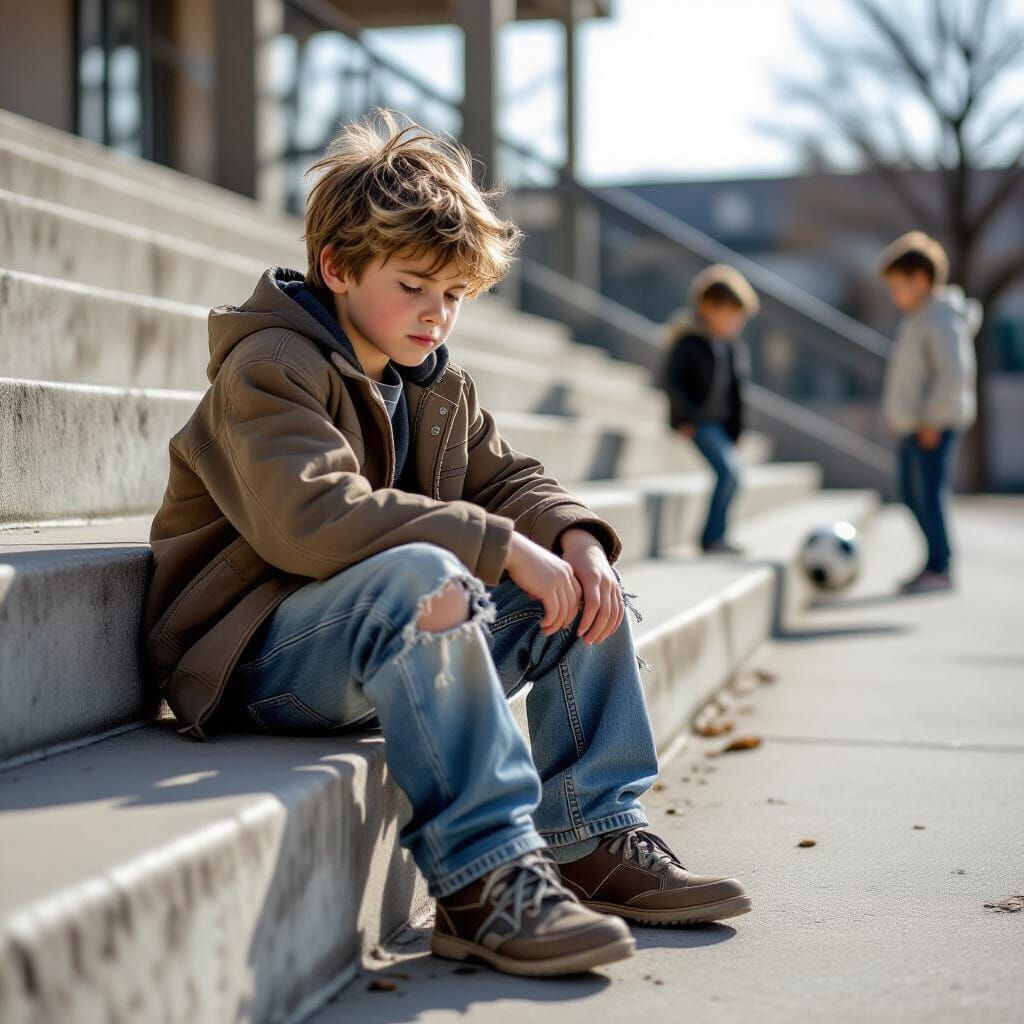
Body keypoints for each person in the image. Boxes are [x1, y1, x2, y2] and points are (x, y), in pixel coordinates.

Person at [141, 111, 750, 979]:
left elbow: (508, 480)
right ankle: (483, 880)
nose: (437, 316)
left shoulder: (433, 383)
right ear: (339, 267)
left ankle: (590, 834)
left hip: (378, 644)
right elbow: (310, 520)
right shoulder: (269, 363)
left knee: (577, 589)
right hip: (257, 656)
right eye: (416, 286)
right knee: (431, 573)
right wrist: (499, 547)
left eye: (455, 296)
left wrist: (574, 538)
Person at [878, 231, 980, 594]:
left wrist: (931, 420)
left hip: (933, 425)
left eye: (898, 287)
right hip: (913, 425)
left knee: (929, 494)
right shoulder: (919, 318)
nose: (895, 296)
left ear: (920, 280)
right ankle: (933, 560)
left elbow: (953, 374)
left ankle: (941, 565)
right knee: (910, 493)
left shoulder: (941, 319)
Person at [660, 264, 758, 554]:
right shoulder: (690, 341)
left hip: (720, 424)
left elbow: (738, 393)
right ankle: (712, 537)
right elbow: (672, 382)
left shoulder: (731, 348)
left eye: (737, 319)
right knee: (729, 474)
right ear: (707, 308)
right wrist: (685, 418)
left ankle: (717, 535)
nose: (733, 325)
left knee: (733, 476)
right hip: (699, 422)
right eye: (727, 316)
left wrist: (737, 429)